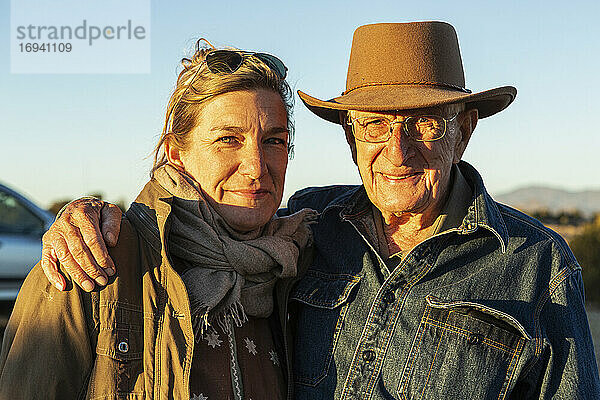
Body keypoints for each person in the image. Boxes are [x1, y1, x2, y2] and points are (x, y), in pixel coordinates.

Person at [30, 22, 600, 399]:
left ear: (464, 132)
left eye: (424, 122)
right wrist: (85, 217)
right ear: (351, 137)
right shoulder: (306, 231)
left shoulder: (538, 264)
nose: (397, 154)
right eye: (375, 126)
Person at [0, 39, 318, 399]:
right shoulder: (88, 264)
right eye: (228, 139)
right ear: (176, 154)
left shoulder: (299, 268)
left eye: (274, 141)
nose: (256, 167)